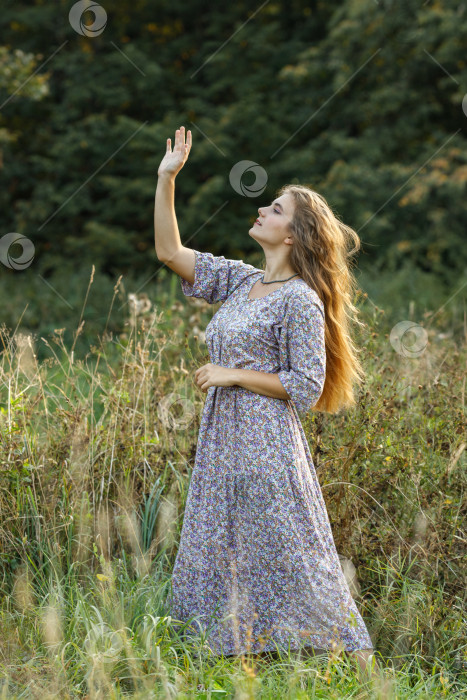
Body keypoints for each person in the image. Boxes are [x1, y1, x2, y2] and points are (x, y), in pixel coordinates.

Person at [154, 126, 375, 675]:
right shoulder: (238, 281)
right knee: (219, 547)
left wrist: (233, 373)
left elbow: (304, 386)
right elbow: (168, 251)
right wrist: (166, 180)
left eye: (274, 208)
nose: (261, 209)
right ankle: (229, 661)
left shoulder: (300, 300)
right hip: (221, 445)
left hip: (267, 445)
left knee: (294, 552)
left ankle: (357, 664)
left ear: (293, 235)